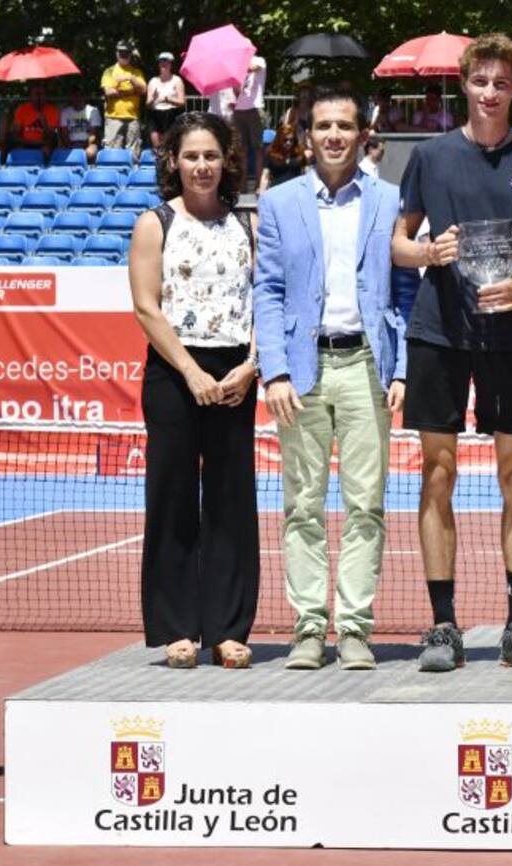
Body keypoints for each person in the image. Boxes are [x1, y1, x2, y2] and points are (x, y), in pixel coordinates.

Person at [392, 33, 512, 673]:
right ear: (463, 85)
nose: (490, 93)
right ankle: (443, 627)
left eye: (501, 83)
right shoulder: (432, 157)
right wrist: (429, 253)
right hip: (438, 332)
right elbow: (398, 244)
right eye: (480, 81)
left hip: (511, 335)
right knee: (437, 474)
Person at [254, 87, 414, 671]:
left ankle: (353, 629)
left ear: (362, 131)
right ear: (306, 131)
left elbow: (406, 289)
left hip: (367, 366)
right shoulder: (279, 203)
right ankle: (307, 628)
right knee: (301, 504)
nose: (334, 136)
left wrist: (404, 367)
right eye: (324, 125)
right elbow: (267, 292)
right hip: (301, 370)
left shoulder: (389, 199)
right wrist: (273, 369)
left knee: (366, 505)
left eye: (345, 125)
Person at [128, 112, 258, 669]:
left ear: (224, 161)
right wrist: (191, 372)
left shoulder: (245, 222)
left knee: (231, 502)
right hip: (175, 374)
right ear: (174, 162)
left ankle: (228, 630)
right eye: (191, 157)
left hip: (235, 376)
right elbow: (145, 306)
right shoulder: (153, 223)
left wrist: (251, 365)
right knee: (173, 497)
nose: (201, 167)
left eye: (210, 156)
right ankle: (177, 628)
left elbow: (264, 302)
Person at [101, 41, 146, 154]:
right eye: (121, 52)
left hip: (133, 118)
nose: (124, 55)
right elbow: (108, 92)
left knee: (134, 153)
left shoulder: (136, 72)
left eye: (126, 52)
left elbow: (143, 90)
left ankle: (134, 172)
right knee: (112, 152)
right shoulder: (109, 71)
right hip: (113, 118)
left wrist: (131, 78)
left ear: (130, 54)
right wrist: (130, 91)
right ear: (116, 53)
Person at [230, 56, 267, 189]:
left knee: (258, 148)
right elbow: (236, 92)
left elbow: (254, 68)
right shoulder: (235, 64)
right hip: (239, 110)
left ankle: (259, 184)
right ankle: (243, 183)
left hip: (255, 109)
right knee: (241, 150)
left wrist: (239, 70)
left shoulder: (258, 60)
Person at [7, 85, 60, 161]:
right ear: (31, 96)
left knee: (47, 148)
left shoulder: (52, 110)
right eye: (36, 94)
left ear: (45, 96)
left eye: (41, 94)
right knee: (13, 147)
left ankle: (46, 171)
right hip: (26, 142)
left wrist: (44, 123)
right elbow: (16, 134)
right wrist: (32, 142)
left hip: (44, 143)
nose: (39, 97)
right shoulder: (22, 109)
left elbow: (51, 136)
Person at [146, 52, 186, 150]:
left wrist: (169, 99)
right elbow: (147, 104)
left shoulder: (177, 80)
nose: (163, 64)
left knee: (170, 145)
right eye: (161, 62)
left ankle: (169, 164)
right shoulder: (153, 81)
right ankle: (158, 164)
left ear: (171, 64)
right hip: (155, 114)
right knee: (156, 145)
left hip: (171, 113)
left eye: (166, 62)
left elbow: (182, 102)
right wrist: (153, 99)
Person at [258, 122, 305, 193]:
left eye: (291, 140)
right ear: (279, 139)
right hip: (277, 191)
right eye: (285, 140)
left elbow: (305, 174)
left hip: (296, 192)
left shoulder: (299, 154)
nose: (288, 143)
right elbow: (265, 176)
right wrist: (262, 193)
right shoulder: (271, 155)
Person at [59, 90, 102, 164]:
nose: (77, 99)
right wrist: (70, 146)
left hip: (88, 144)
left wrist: (82, 146)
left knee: (91, 152)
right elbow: (64, 133)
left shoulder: (93, 111)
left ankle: (89, 171)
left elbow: (93, 135)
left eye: (79, 96)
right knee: (60, 154)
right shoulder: (65, 112)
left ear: (84, 97)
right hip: (70, 144)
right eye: (74, 96)